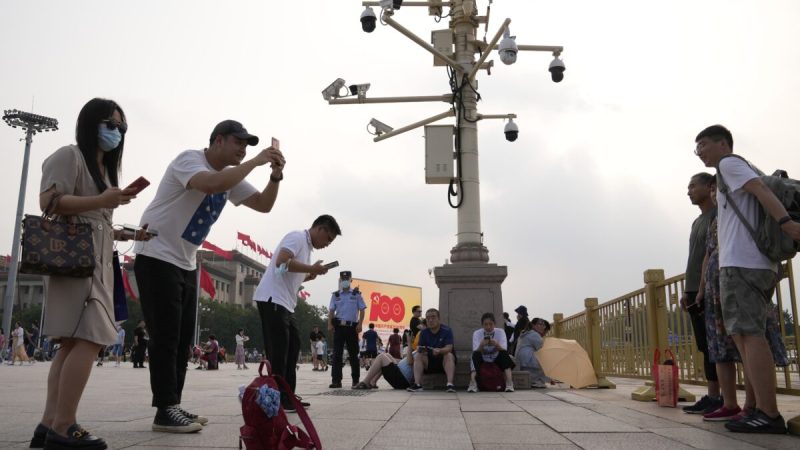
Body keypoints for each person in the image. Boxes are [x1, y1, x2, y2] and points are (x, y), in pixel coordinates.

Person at [134, 119, 284, 433]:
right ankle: (164, 409)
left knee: (183, 338)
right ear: (217, 141)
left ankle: (172, 404)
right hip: (157, 254)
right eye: (238, 142)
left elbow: (264, 205)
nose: (243, 150)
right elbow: (211, 184)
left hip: (186, 262)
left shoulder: (231, 176)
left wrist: (275, 175)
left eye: (248, 146)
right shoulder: (189, 160)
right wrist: (256, 162)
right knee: (166, 336)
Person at [29, 98, 145, 450]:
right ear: (91, 123)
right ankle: (64, 426)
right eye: (110, 125)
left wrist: (126, 232)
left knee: (72, 343)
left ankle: (49, 424)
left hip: (95, 260)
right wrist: (102, 201)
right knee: (91, 339)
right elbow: (48, 202)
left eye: (122, 128)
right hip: (75, 260)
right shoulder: (69, 156)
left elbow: (96, 217)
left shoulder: (105, 171)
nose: (116, 133)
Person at [694, 124, 800, 434]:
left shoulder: (730, 164)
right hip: (750, 263)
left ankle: (768, 413)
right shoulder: (738, 167)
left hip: (742, 263)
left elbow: (762, 191)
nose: (699, 152)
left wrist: (786, 223)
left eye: (703, 145)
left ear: (722, 144)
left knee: (750, 336)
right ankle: (756, 408)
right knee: (743, 336)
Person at [697, 178, 789, 423]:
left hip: (739, 278)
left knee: (749, 341)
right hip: (720, 285)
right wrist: (701, 288)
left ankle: (756, 405)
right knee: (724, 344)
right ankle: (732, 403)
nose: (716, 193)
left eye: (719, 189)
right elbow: (708, 255)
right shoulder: (717, 221)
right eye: (713, 190)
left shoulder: (745, 210)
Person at [254, 215, 340, 411]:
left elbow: (289, 273)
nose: (327, 244)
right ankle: (278, 397)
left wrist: (309, 275)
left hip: (285, 303)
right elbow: (281, 262)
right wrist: (311, 268)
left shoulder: (307, 249)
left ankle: (287, 395)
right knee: (279, 352)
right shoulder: (297, 237)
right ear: (320, 229)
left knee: (292, 348)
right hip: (272, 299)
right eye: (328, 239)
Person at [678, 172, 723, 415]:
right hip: (696, 289)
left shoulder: (718, 216)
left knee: (716, 345)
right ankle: (713, 394)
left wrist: (704, 288)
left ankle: (721, 396)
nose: (689, 191)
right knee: (705, 346)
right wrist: (688, 289)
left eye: (693, 186)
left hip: (710, 287)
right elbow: (694, 258)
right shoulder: (698, 221)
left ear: (710, 187)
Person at [327, 270, 366, 389]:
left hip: (352, 328)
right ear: (340, 280)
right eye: (343, 279)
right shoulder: (335, 295)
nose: (345, 281)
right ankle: (336, 381)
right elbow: (331, 311)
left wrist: (360, 324)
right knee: (337, 354)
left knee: (354, 355)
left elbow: (362, 310)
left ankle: (355, 380)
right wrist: (330, 324)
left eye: (347, 279)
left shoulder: (356, 294)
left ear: (351, 280)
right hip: (339, 327)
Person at [407, 308, 456, 393]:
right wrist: (421, 350)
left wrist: (440, 350)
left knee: (449, 354)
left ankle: (450, 384)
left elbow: (449, 347)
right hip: (429, 362)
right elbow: (420, 348)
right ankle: (417, 384)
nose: (430, 320)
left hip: (444, 361)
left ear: (439, 319)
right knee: (418, 355)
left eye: (433, 317)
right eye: (428, 318)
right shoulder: (423, 332)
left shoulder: (447, 330)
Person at [467, 313, 515, 393]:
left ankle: (509, 382)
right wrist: (481, 345)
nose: (488, 327)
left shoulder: (500, 332)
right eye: (485, 324)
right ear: (482, 325)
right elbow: (476, 350)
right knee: (474, 355)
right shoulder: (477, 333)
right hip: (483, 357)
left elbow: (504, 349)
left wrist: (496, 345)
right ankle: (472, 383)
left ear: (494, 324)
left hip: (496, 357)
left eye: (490, 324)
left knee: (504, 354)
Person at [515, 318, 550, 388]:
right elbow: (542, 348)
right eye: (540, 324)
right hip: (528, 358)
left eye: (543, 325)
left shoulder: (527, 333)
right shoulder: (534, 334)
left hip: (521, 359)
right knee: (546, 359)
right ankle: (536, 381)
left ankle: (534, 380)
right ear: (533, 325)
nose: (543, 326)